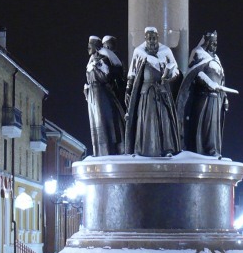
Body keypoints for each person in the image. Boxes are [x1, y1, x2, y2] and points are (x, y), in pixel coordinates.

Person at [124, 27, 182, 157]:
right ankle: (145, 150)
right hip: (146, 93)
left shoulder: (166, 51)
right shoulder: (139, 52)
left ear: (158, 37)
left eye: (154, 38)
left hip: (162, 91)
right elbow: (132, 72)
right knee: (147, 120)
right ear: (145, 38)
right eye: (149, 38)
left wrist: (169, 76)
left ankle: (167, 149)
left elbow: (176, 71)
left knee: (164, 120)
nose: (152, 40)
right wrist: (128, 89)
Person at [178, 31, 234, 157]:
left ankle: (213, 149)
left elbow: (222, 79)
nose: (215, 46)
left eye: (216, 43)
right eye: (212, 43)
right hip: (203, 97)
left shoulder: (216, 59)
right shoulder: (198, 53)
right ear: (207, 42)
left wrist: (225, 98)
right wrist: (209, 83)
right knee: (204, 124)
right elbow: (194, 73)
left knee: (214, 126)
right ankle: (200, 149)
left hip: (216, 99)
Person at [84, 36, 125, 156]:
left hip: (101, 94)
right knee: (96, 123)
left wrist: (96, 67)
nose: (88, 48)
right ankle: (99, 151)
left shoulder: (102, 60)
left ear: (96, 47)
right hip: (92, 95)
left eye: (90, 46)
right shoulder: (91, 61)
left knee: (102, 122)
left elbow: (105, 77)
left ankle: (107, 150)